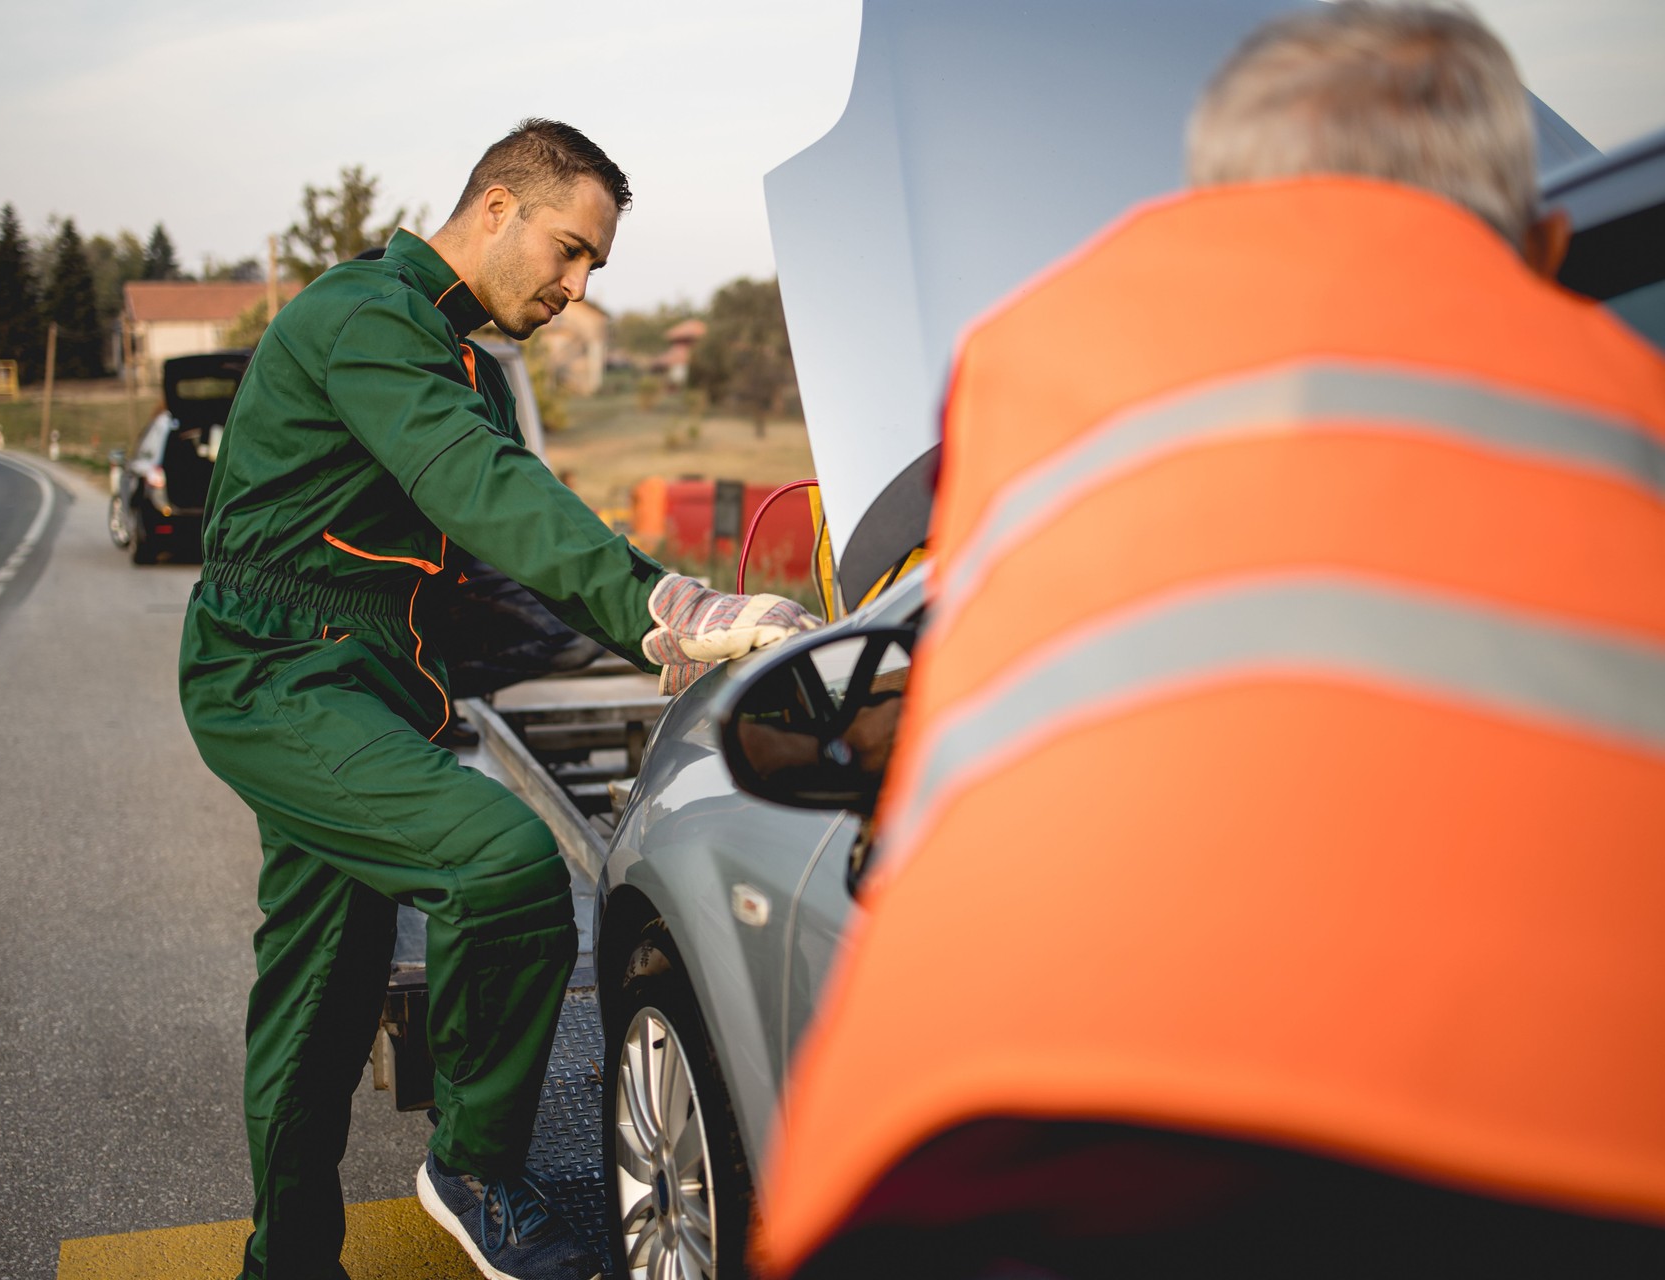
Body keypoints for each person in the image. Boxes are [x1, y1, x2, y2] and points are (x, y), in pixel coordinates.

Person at [756, 6, 1665, 1278]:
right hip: (1582, 1158)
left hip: (993, 1156)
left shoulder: (1022, 353)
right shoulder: (1633, 394)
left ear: (1211, 198)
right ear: (1551, 237)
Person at [178, 119, 817, 1280]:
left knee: (318, 1003)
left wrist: (655, 642)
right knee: (506, 864)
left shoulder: (456, 359)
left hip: (369, 686)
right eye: (569, 250)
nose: (575, 288)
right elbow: (480, 486)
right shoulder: (368, 316)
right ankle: (473, 1163)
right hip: (277, 675)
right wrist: (656, 597)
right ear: (494, 212)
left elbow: (489, 550)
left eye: (596, 269)